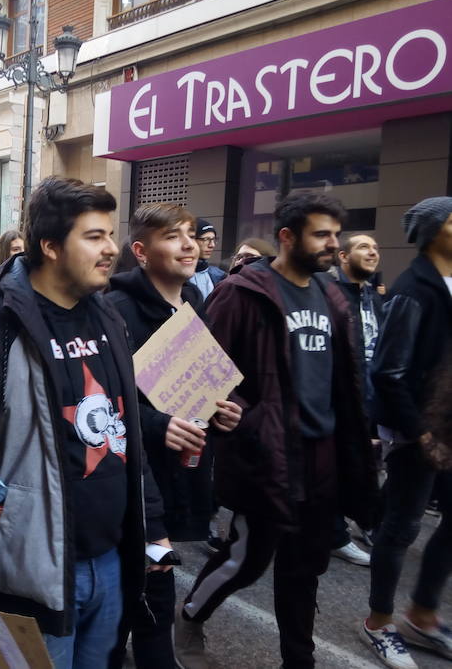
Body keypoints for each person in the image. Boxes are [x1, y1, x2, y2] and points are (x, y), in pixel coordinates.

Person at [0, 177, 167, 668]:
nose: (110, 249)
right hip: (32, 568)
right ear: (50, 246)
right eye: (93, 236)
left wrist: (154, 526)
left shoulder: (106, 316)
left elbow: (125, 432)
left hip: (111, 562)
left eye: (109, 235)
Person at [173, 191, 378, 669]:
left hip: (320, 457)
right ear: (287, 237)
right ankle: (189, 617)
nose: (333, 244)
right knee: (245, 560)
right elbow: (196, 365)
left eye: (335, 234)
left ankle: (297, 660)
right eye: (321, 235)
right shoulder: (244, 290)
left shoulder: (332, 296)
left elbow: (342, 378)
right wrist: (242, 415)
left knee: (305, 568)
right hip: (265, 454)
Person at [106, 203, 242, 667]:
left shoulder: (194, 303)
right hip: (132, 480)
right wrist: (160, 424)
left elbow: (196, 388)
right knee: (146, 594)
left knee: (140, 593)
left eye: (191, 234)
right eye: (173, 236)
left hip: (179, 470)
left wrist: (222, 410)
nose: (189, 244)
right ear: (141, 252)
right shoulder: (115, 310)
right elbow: (104, 404)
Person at [360, 197, 452, 668]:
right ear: (434, 231)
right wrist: (421, 434)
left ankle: (423, 612)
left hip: (449, 427)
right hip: (416, 431)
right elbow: (389, 372)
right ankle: (378, 621)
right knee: (400, 529)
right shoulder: (413, 289)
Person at [328, 233, 384, 568]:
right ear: (343, 256)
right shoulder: (332, 296)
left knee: (368, 465)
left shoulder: (375, 299)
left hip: (370, 397)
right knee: (336, 465)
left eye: (376, 248)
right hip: (340, 398)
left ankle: (364, 520)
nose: (373, 252)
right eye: (364, 246)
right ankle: (336, 534)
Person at [188, 219, 226, 300]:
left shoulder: (219, 276)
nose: (212, 245)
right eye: (205, 239)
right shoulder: (176, 276)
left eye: (213, 239)